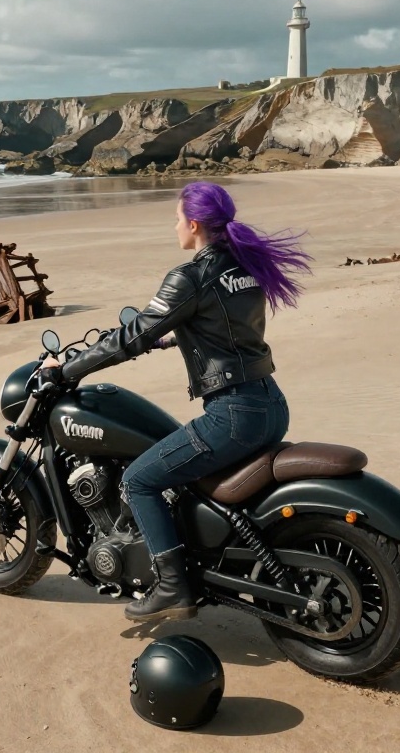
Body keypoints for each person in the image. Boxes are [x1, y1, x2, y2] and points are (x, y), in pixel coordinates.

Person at [40, 181, 311, 623]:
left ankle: (172, 587)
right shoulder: (245, 266)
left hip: (232, 414)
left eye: (177, 219)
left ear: (195, 224)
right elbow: (227, 327)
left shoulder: (190, 276)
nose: (175, 227)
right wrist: (175, 337)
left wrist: (67, 369)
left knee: (139, 480)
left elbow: (133, 334)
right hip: (269, 404)